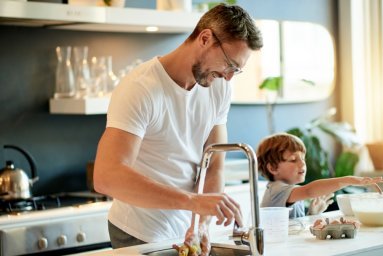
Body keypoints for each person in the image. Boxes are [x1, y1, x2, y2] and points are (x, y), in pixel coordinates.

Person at [93, 3, 263, 255]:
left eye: (236, 70)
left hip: (186, 228)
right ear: (205, 38)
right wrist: (193, 202)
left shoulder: (218, 86)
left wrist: (201, 223)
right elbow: (107, 176)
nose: (228, 77)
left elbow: (214, 162)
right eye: (229, 64)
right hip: (139, 232)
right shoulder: (141, 88)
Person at [256, 133, 383, 218]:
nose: (302, 164)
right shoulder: (276, 189)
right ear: (273, 168)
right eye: (293, 159)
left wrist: (311, 214)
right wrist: (349, 179)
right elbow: (309, 190)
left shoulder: (291, 192)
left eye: (303, 158)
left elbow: (293, 225)